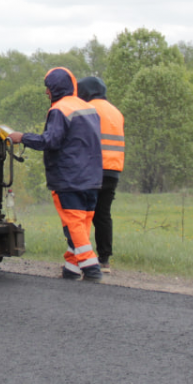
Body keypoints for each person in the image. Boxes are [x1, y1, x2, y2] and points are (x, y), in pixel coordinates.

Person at [8, 67, 104, 281]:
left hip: (69, 178)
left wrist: (22, 137)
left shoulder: (60, 109)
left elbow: (50, 141)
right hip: (93, 178)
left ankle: (91, 268)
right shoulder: (88, 107)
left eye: (48, 88)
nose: (46, 92)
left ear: (56, 88)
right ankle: (71, 268)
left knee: (74, 226)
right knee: (81, 226)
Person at [78, 75, 125, 273]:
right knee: (103, 215)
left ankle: (82, 259)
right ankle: (104, 260)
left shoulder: (88, 109)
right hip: (113, 170)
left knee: (82, 214)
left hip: (92, 168)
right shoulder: (116, 112)